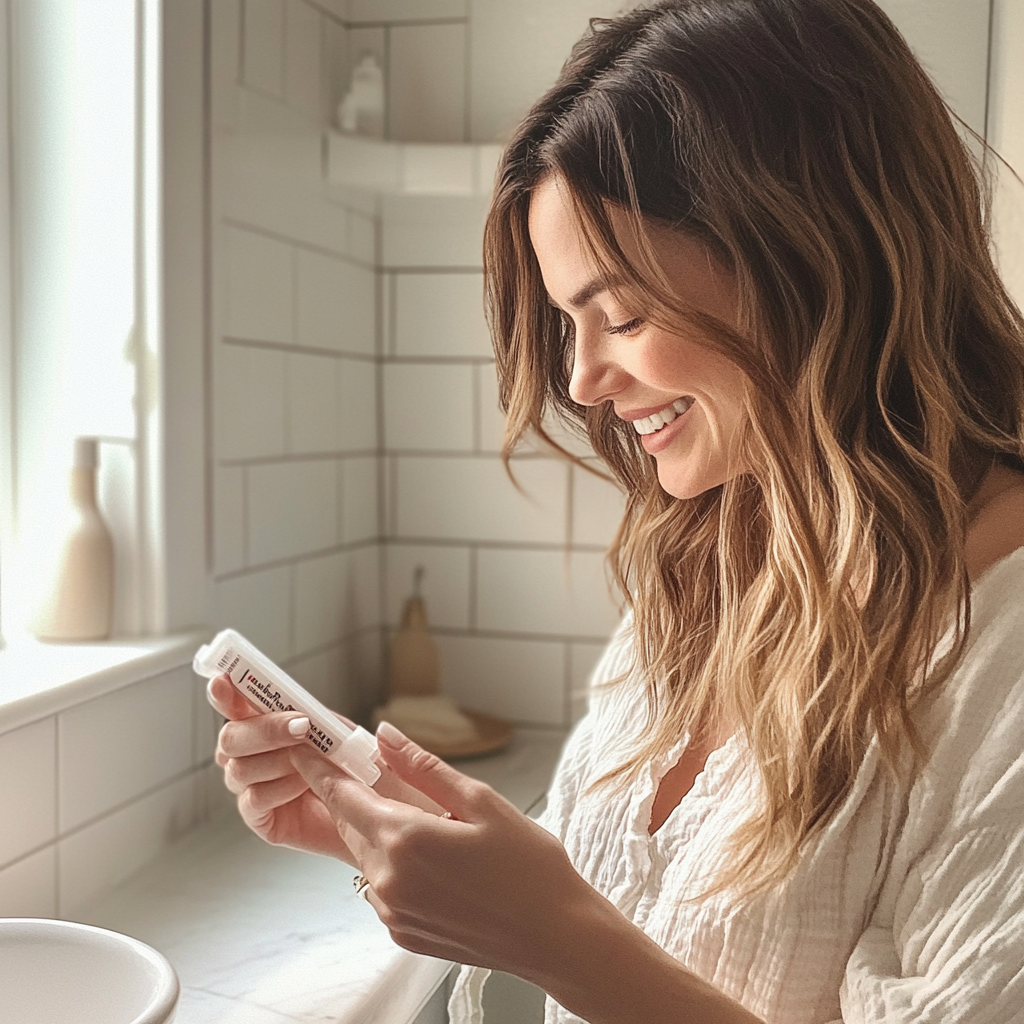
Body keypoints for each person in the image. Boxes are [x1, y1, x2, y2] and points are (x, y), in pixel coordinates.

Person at [207, 1, 1024, 1021]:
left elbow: (590, 941)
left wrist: (551, 935)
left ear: (816, 258)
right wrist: (398, 835)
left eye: (623, 315)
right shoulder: (718, 551)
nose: (583, 380)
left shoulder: (1001, 642)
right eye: (566, 322)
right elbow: (643, 907)